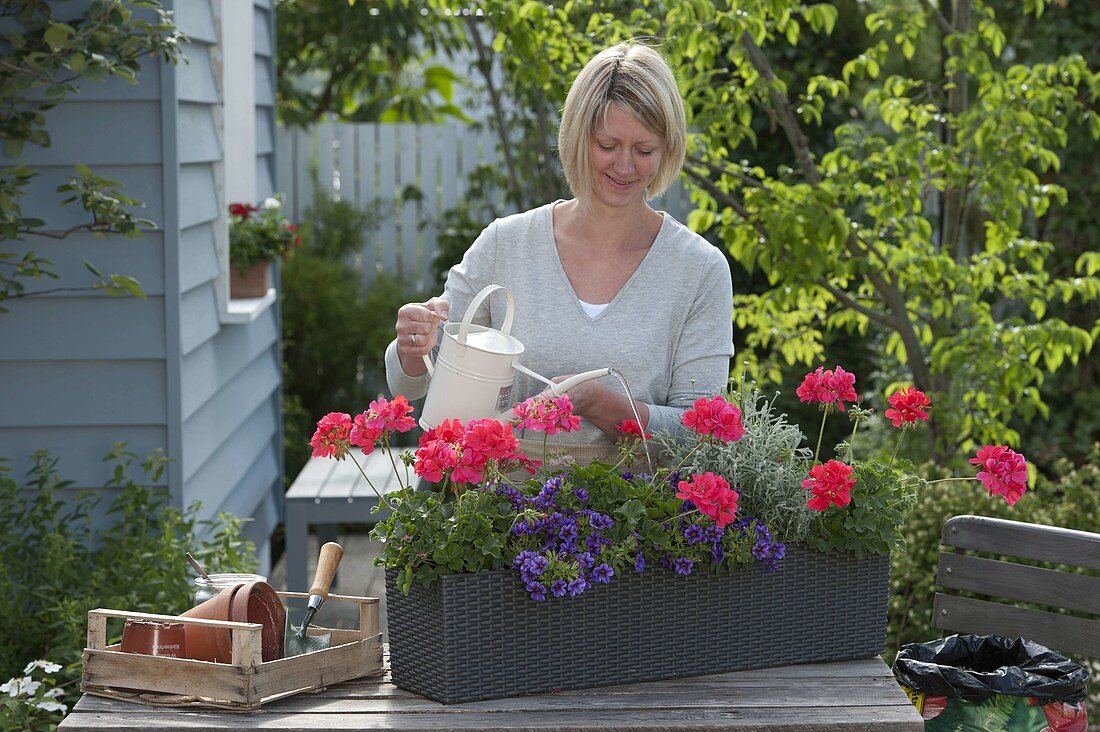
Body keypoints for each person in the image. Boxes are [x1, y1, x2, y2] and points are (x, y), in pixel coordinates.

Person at [385, 42, 733, 456]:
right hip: (503, 508)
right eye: (607, 146)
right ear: (576, 140)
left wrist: (599, 403)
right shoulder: (506, 244)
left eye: (644, 151)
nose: (624, 167)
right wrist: (411, 346)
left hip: (642, 516)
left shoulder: (699, 270)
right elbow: (417, 381)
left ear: (668, 149)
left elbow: (702, 434)